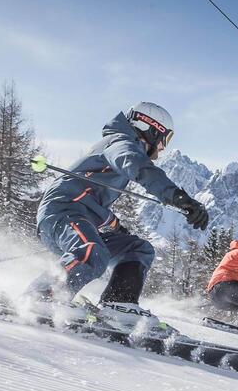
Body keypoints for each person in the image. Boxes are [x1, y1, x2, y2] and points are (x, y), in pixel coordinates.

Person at [30, 102, 208, 333]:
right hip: (62, 212)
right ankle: (42, 296)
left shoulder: (120, 144)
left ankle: (119, 304)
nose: (163, 148)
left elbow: (90, 198)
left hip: (78, 214)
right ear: (150, 128)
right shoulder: (120, 143)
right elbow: (139, 167)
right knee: (92, 250)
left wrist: (114, 225)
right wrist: (178, 197)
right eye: (165, 138)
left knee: (138, 248)